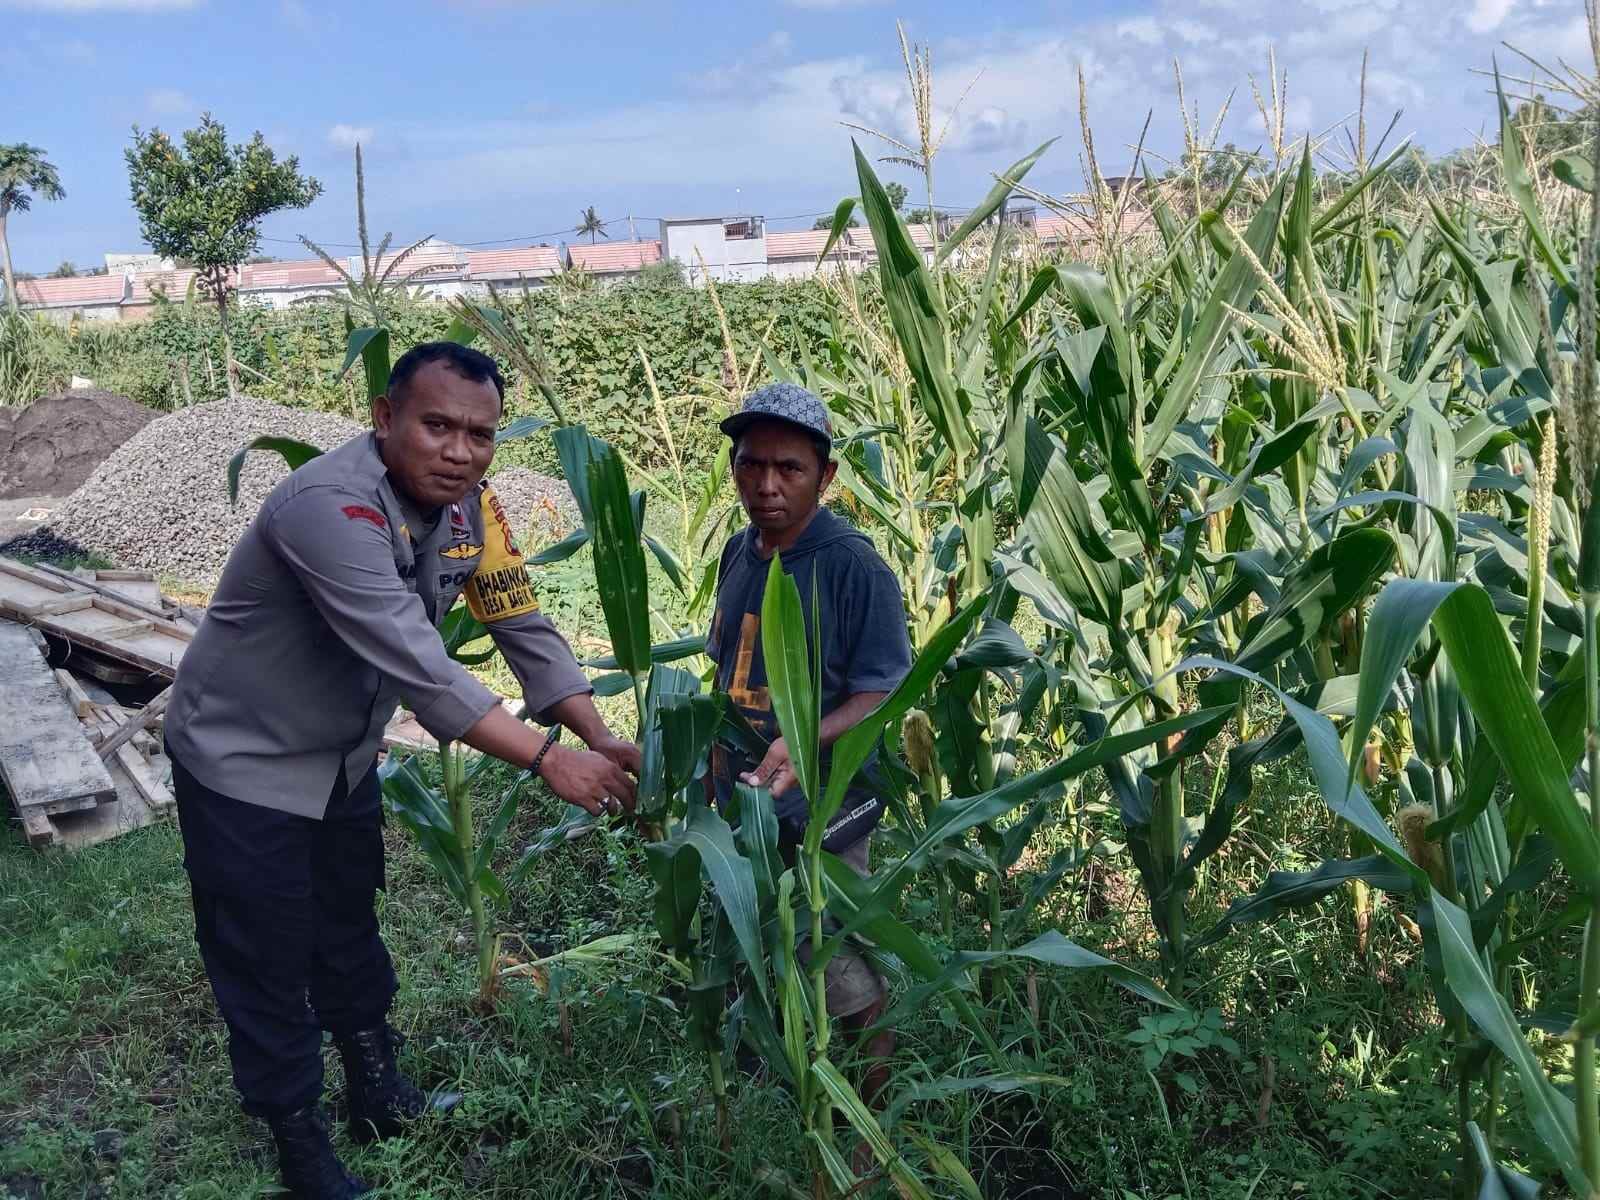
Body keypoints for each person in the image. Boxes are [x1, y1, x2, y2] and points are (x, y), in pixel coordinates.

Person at [164, 342, 640, 1200]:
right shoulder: (329, 508)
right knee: (266, 952)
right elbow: (421, 664)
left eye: (481, 434)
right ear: (385, 419)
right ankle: (298, 1137)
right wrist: (545, 759)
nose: (460, 451)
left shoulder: (471, 509)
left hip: (342, 759)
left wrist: (597, 736)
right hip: (244, 762)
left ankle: (376, 1091)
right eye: (437, 426)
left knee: (346, 923)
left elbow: (519, 621)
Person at [704, 382, 913, 1126]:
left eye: (789, 469)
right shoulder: (740, 550)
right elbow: (729, 673)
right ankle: (787, 1083)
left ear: (825, 478)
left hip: (823, 803)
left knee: (838, 965)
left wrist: (805, 734)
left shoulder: (852, 565)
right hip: (745, 800)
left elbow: (884, 690)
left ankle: (868, 1127)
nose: (766, 485)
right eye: (751, 465)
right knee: (755, 938)